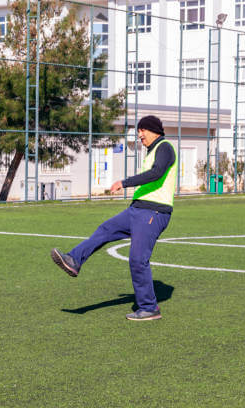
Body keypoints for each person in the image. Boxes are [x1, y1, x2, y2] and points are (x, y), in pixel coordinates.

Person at [51, 115, 177, 321]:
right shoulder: (151, 151)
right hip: (137, 209)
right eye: (138, 131)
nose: (139, 135)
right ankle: (74, 260)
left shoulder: (165, 147)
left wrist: (124, 183)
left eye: (142, 130)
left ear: (153, 130)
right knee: (106, 229)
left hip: (154, 212)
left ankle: (149, 307)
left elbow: (156, 173)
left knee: (137, 260)